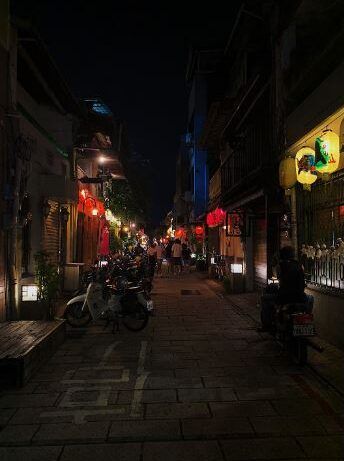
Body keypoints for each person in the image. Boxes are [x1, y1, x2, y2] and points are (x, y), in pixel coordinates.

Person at [259, 245, 314, 331]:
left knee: (264, 298)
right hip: (299, 297)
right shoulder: (300, 266)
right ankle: (306, 317)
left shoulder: (280, 266)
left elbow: (276, 276)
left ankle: (266, 324)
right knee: (311, 298)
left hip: (284, 298)